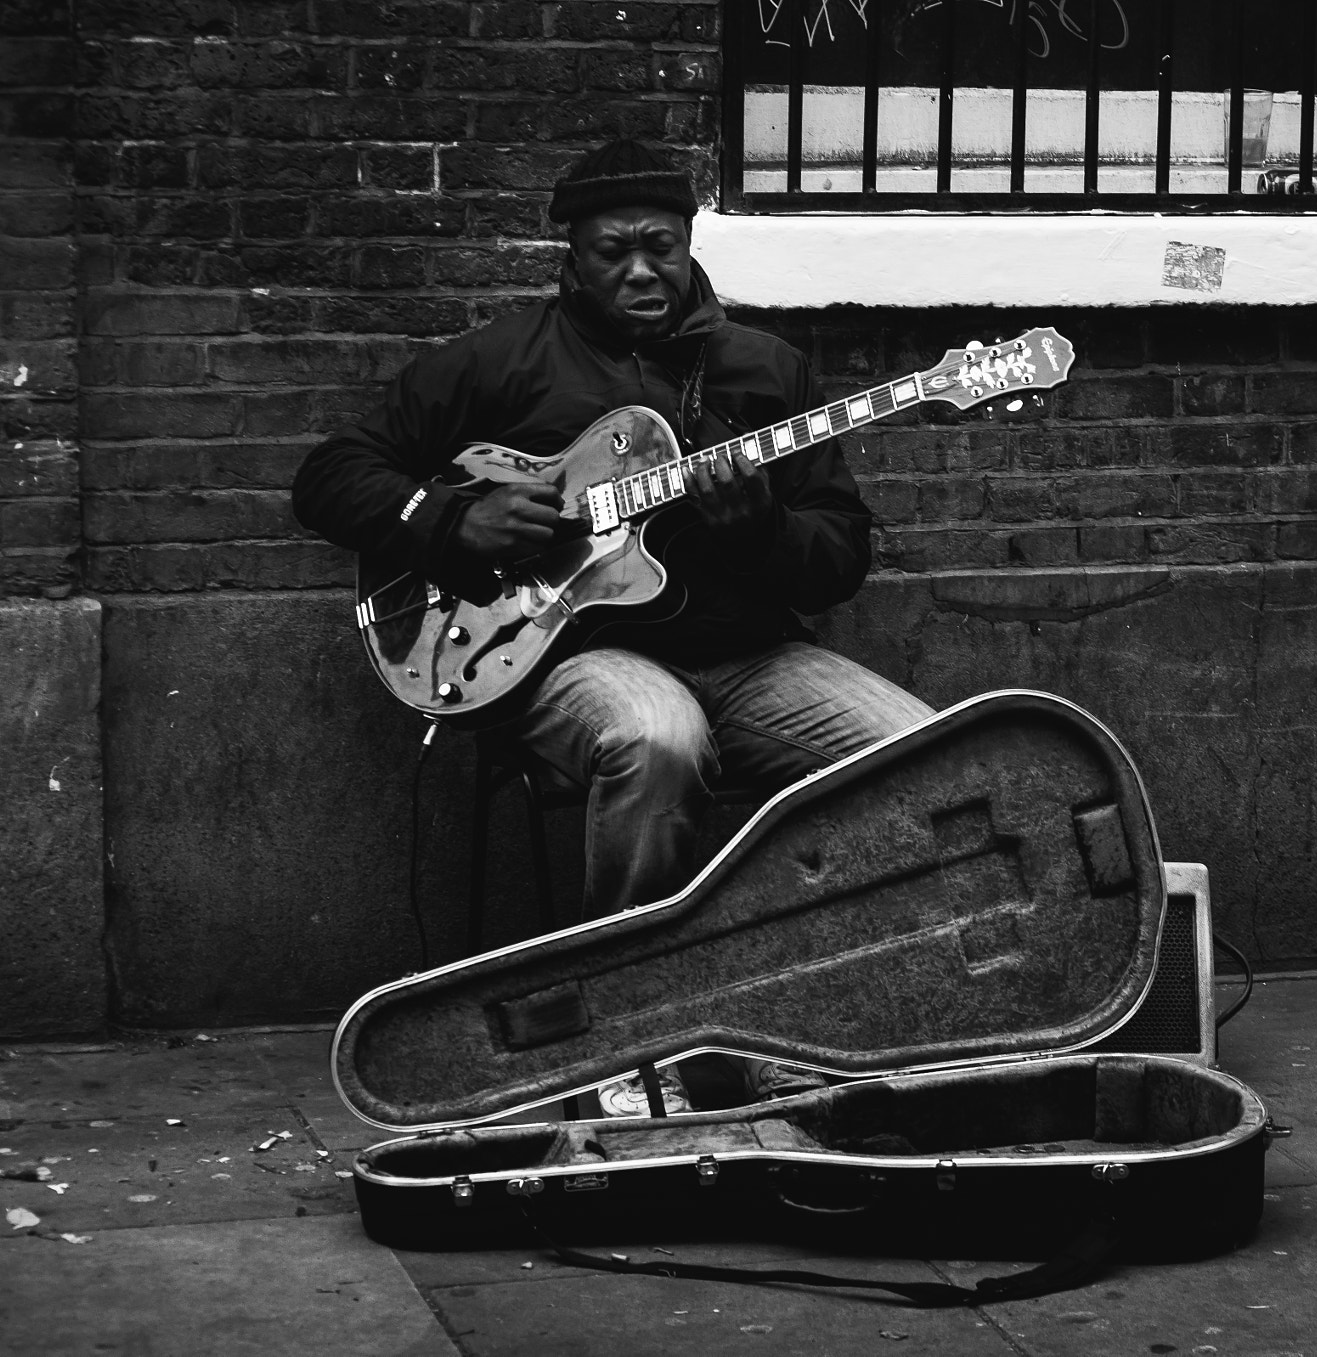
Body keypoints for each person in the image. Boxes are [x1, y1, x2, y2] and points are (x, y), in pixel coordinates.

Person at [293, 140, 934, 1109]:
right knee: (655, 735)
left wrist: (758, 525)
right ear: (573, 256)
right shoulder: (500, 362)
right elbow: (334, 473)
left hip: (749, 657)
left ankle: (822, 1014)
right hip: (565, 657)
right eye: (613, 251)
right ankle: (632, 1044)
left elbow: (836, 559)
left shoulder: (764, 370)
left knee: (919, 753)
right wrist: (450, 521)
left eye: (661, 247)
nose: (641, 269)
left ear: (689, 246)